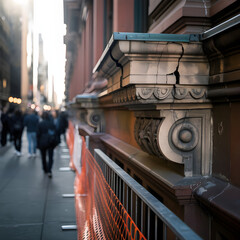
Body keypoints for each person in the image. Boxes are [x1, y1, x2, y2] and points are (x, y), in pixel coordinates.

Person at [37, 111, 57, 178]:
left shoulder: (40, 124)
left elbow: (38, 134)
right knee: (50, 157)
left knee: (43, 156)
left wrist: (37, 144)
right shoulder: (51, 124)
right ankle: (49, 170)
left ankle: (45, 168)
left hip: (42, 142)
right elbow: (55, 133)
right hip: (50, 142)